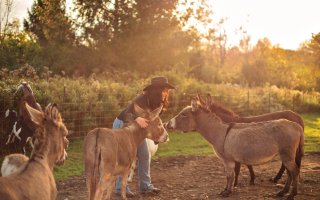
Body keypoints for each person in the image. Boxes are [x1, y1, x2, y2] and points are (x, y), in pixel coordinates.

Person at [113, 76, 175, 197]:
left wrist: (157, 135)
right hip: (122, 124)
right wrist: (137, 118)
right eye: (162, 90)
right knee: (125, 157)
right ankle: (120, 188)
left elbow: (153, 121)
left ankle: (145, 186)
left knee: (145, 154)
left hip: (138, 129)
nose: (165, 93)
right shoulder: (141, 99)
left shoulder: (159, 103)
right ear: (155, 91)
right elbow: (127, 113)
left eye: (166, 90)